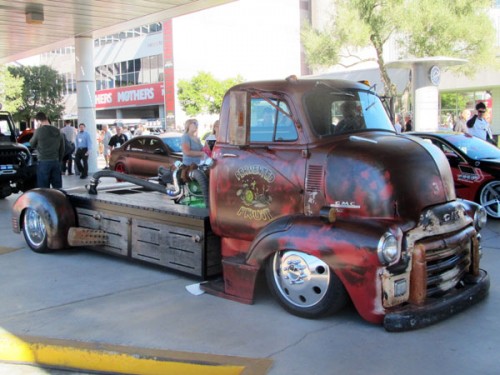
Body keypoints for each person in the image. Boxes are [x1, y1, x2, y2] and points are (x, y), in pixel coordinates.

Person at [29, 112, 65, 188]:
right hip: (55, 161)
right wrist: (59, 160)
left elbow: (31, 144)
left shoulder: (39, 131)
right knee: (57, 187)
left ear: (38, 121)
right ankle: (57, 200)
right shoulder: (58, 131)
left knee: (43, 187)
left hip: (43, 161)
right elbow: (62, 148)